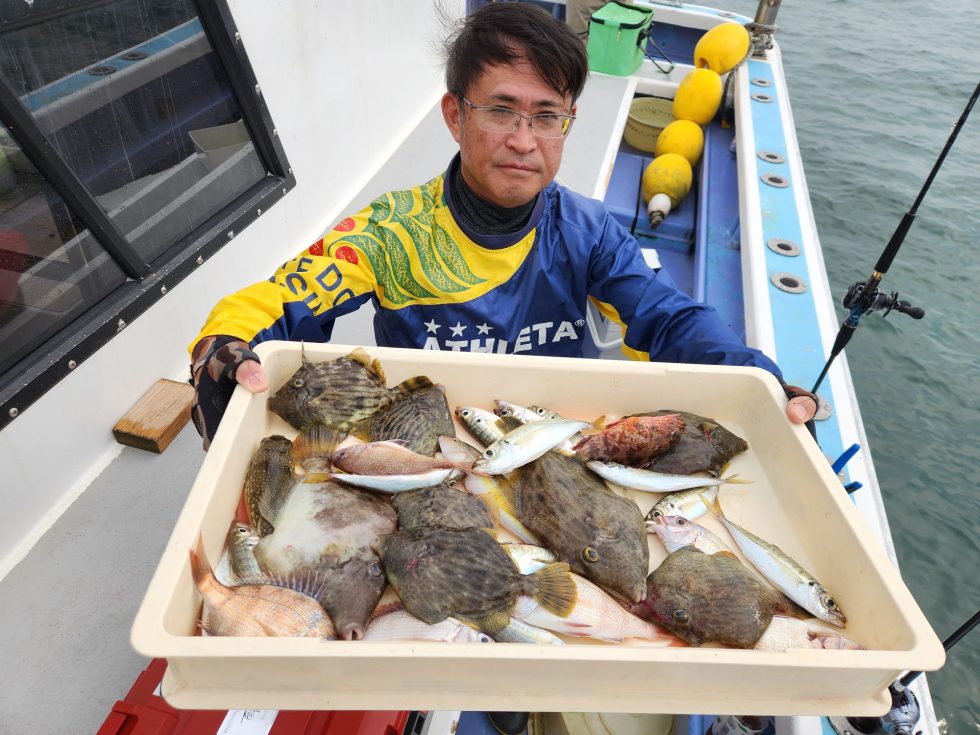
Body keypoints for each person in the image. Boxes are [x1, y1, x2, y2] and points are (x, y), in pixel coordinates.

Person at [188, 3, 816, 451]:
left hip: (552, 440)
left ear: (568, 123)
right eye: (501, 111)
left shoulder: (589, 232)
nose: (524, 141)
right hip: (422, 446)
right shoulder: (390, 232)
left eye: (547, 116)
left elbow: (670, 318)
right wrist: (222, 347)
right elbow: (282, 297)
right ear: (454, 114)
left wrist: (760, 378)